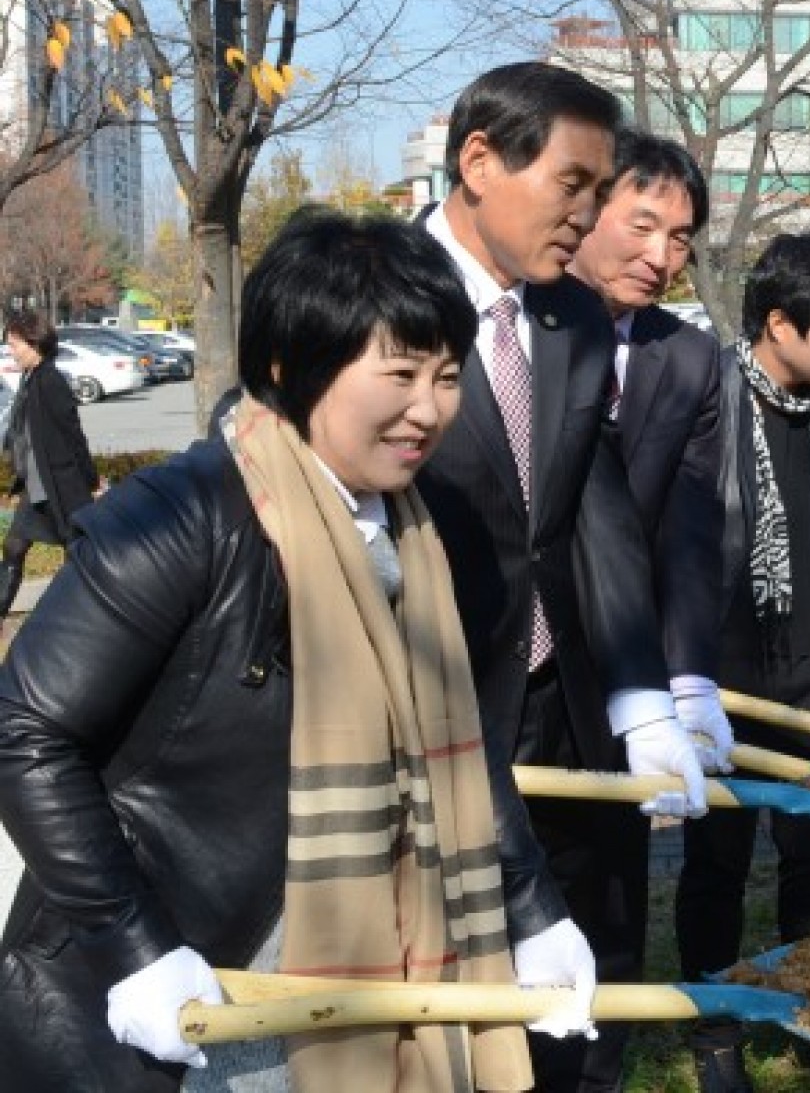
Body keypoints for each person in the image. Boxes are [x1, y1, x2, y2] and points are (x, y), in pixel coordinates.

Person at [0, 212, 595, 1092]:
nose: (428, 410)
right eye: (399, 375)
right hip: (192, 983)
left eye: (445, 376)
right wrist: (138, 947)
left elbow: (453, 749)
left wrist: (534, 912)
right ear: (292, 367)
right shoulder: (184, 517)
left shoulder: (421, 531)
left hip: (364, 980)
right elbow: (25, 734)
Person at [412, 62, 708, 1093]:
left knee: (596, 972)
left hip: (570, 702)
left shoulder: (569, 319)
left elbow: (596, 509)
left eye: (597, 193)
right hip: (438, 714)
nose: (586, 219)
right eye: (573, 187)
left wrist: (643, 691)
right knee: (465, 992)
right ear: (481, 159)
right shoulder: (378, 295)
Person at [674, 234, 810, 1093]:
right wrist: (683, 677)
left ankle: (809, 1009)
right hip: (725, 679)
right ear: (778, 323)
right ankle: (716, 1024)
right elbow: (679, 548)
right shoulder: (712, 405)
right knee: (717, 862)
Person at [563, 132, 735, 1088]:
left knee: (613, 914)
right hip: (524, 676)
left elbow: (689, 531)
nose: (661, 256)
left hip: (636, 691)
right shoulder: (522, 329)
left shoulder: (688, 358)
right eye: (644, 225)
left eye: (682, 239)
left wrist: (688, 678)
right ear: (589, 209)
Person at [0, 310, 100, 619]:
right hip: (38, 485)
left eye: (15, 344)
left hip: (61, 486)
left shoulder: (50, 380)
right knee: (14, 547)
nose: (11, 351)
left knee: (77, 553)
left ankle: (89, 615)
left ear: (34, 343)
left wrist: (91, 481)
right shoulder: (32, 378)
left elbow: (73, 435)